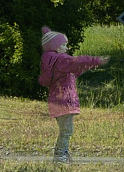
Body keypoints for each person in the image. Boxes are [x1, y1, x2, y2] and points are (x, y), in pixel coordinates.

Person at [37, 27, 107, 162]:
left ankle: (64, 154)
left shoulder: (53, 62)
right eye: (63, 45)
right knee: (66, 131)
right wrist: (96, 61)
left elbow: (73, 70)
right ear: (55, 47)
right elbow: (77, 62)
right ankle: (60, 156)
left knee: (65, 129)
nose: (66, 48)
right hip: (64, 100)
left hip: (56, 100)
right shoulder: (61, 59)